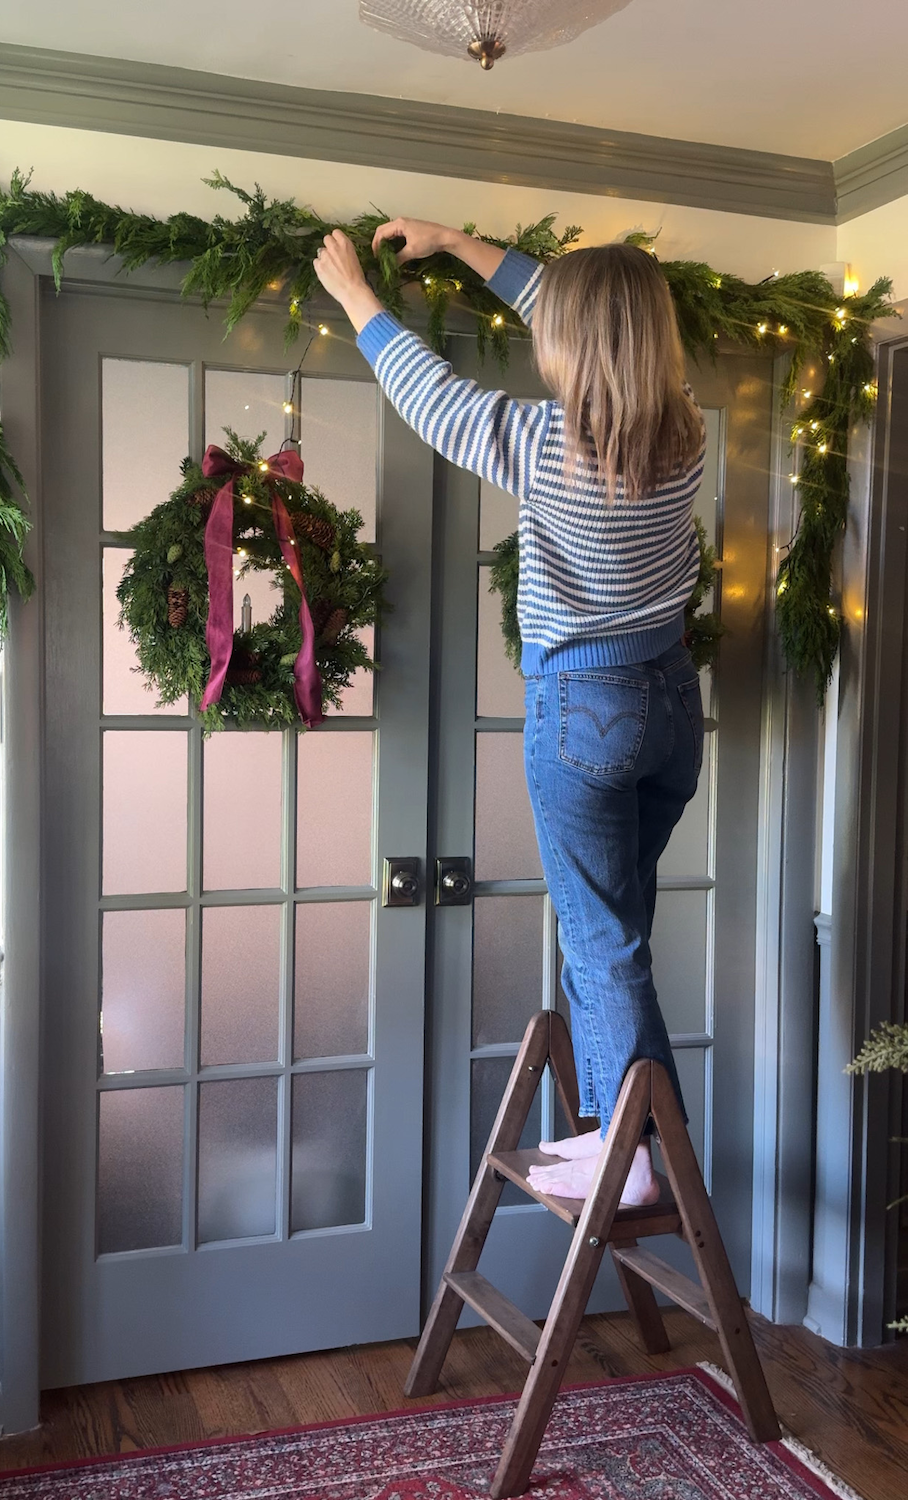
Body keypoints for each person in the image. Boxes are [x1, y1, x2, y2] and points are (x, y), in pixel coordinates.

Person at [313, 219, 706, 1208]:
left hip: (586, 707)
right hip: (667, 705)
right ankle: (616, 1139)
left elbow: (432, 399)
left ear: (571, 346)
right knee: (610, 925)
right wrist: (460, 244)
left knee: (600, 938)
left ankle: (636, 1151)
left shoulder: (545, 444)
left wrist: (358, 295)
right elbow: (583, 319)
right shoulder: (686, 432)